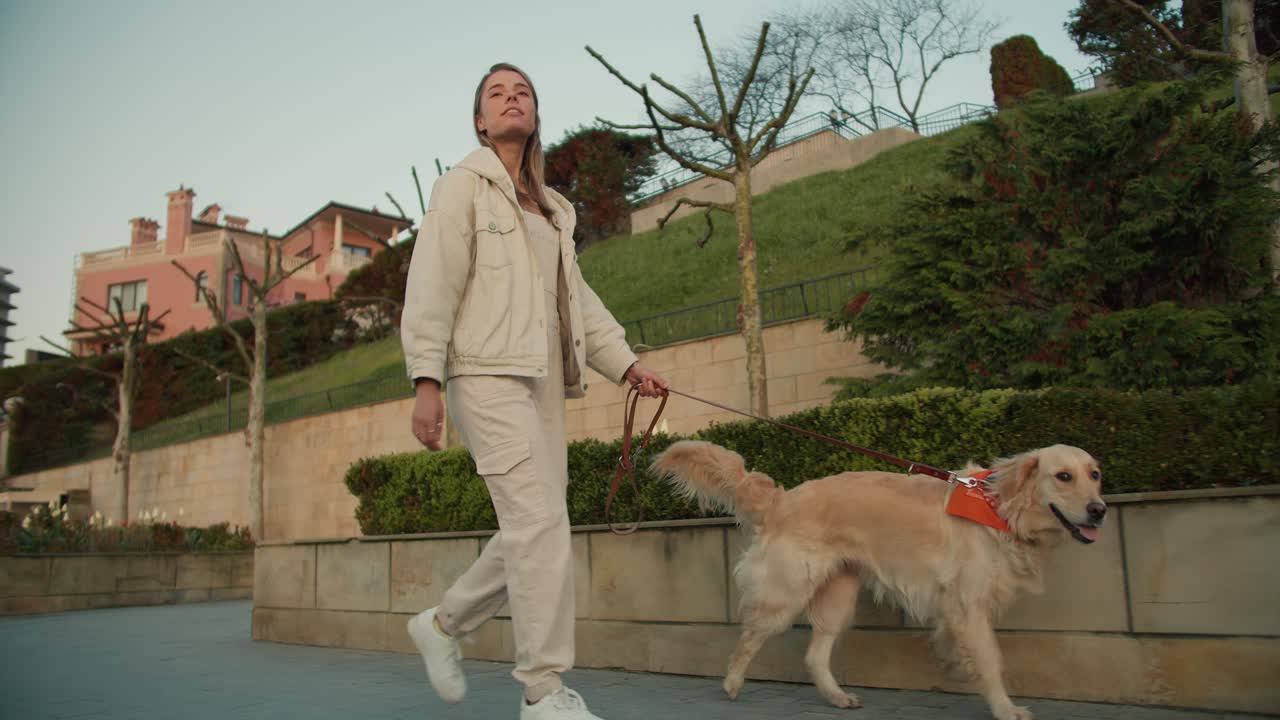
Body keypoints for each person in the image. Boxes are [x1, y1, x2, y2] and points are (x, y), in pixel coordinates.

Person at [400, 62, 668, 720]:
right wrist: (427, 381)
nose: (512, 98)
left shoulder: (553, 209)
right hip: (483, 373)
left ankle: (441, 625)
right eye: (497, 93)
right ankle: (542, 690)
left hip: (543, 379)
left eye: (522, 91)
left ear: (536, 114)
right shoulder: (462, 186)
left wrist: (626, 364)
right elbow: (431, 282)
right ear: (480, 121)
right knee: (540, 524)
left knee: (538, 526)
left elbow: (576, 300)